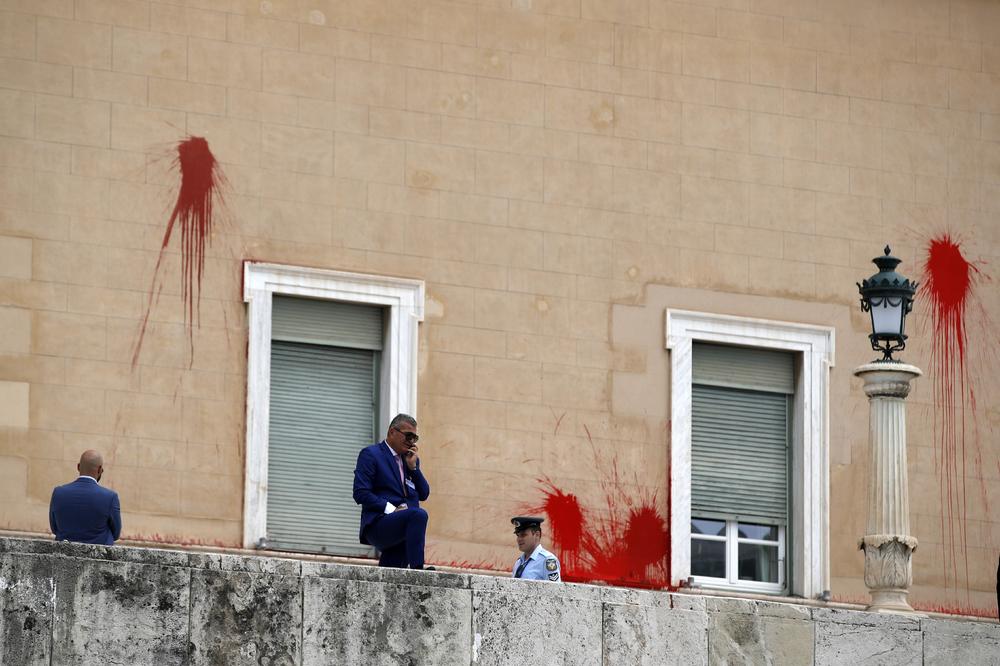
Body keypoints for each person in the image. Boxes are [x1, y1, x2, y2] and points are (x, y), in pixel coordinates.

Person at [353, 413, 431, 569]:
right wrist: (392, 509)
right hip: (379, 523)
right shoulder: (371, 454)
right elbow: (360, 492)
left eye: (414, 439)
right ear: (392, 432)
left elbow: (424, 493)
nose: (410, 442)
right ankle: (418, 571)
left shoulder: (410, 460)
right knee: (419, 515)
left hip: (402, 530)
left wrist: (413, 468)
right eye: (408, 436)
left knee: (391, 576)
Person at [49, 450, 122, 545]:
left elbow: (54, 529)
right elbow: (116, 534)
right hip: (98, 556)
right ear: (100, 470)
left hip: (65, 553)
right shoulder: (110, 497)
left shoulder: (58, 493)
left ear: (78, 467)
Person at [510, 516, 561, 582]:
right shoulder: (519, 562)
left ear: (537, 535)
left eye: (523, 535)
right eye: (518, 535)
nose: (519, 539)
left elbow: (554, 590)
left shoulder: (547, 560)